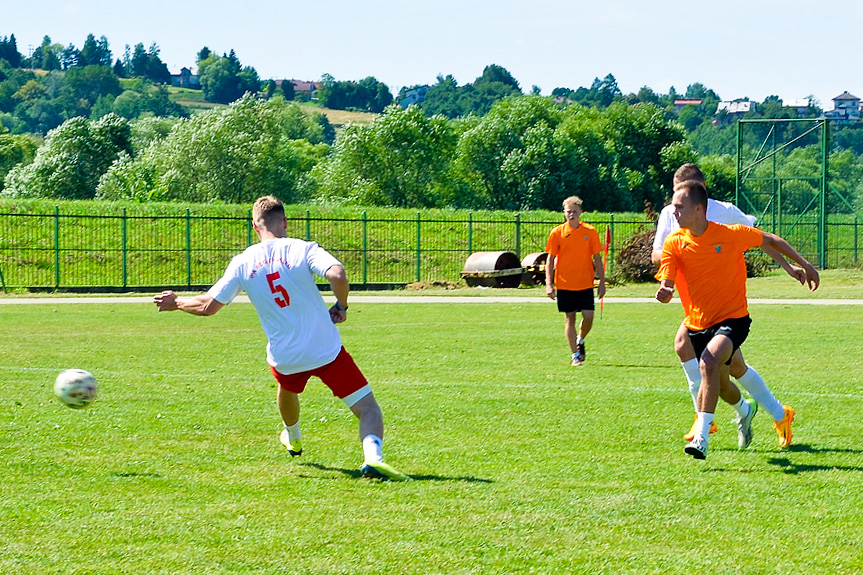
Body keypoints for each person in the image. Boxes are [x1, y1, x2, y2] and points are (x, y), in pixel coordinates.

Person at [153, 195, 409, 481]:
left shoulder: (243, 261)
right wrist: (341, 306)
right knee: (368, 408)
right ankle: (373, 459)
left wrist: (177, 303)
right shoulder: (302, 249)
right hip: (325, 350)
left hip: (285, 357)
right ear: (285, 222)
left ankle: (293, 436)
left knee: (287, 385)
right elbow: (337, 275)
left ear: (254, 226)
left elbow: (207, 306)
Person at [653, 164, 817, 447]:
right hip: (696, 307)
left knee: (703, 358)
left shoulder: (724, 214)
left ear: (700, 194)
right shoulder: (672, 216)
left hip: (727, 309)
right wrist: (667, 279)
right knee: (727, 374)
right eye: (674, 193)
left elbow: (761, 238)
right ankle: (765, 412)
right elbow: (661, 253)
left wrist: (791, 266)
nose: (675, 203)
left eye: (683, 194)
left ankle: (703, 423)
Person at [545, 196, 606, 366]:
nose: (571, 215)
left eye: (574, 212)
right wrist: (549, 284)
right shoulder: (557, 233)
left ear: (581, 213)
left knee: (589, 317)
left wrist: (601, 281)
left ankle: (581, 339)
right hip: (565, 284)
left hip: (585, 283)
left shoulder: (590, 232)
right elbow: (550, 259)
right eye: (568, 212)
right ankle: (574, 355)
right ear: (564, 213)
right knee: (569, 318)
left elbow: (597, 258)